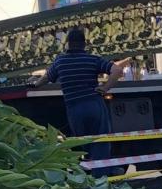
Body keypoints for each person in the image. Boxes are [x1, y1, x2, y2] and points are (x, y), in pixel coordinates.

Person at [34, 28, 128, 175]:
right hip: (94, 104)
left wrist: (35, 84)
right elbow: (117, 70)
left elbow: (46, 78)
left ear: (68, 44)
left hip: (74, 109)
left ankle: (93, 172)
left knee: (82, 141)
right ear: (84, 44)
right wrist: (105, 87)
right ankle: (102, 175)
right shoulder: (92, 59)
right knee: (100, 140)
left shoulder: (60, 61)